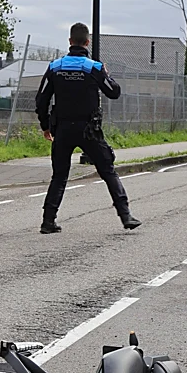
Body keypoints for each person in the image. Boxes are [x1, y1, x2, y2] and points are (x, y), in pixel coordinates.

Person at [34, 22, 140, 234]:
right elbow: (114, 92)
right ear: (87, 42)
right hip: (89, 130)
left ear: (70, 41)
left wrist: (46, 126)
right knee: (108, 170)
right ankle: (125, 215)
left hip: (62, 129)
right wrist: (107, 74)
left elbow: (41, 99)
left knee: (60, 175)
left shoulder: (55, 67)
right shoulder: (94, 67)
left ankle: (48, 221)